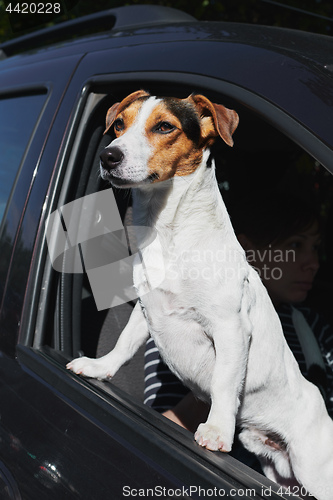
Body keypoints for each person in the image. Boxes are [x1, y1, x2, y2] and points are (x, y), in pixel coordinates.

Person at [143, 192, 333, 444]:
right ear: (245, 251)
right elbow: (157, 434)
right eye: (295, 246)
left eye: (315, 247)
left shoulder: (313, 326)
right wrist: (224, 389)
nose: (313, 263)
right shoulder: (181, 322)